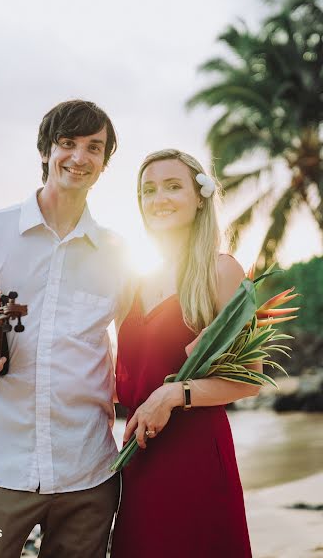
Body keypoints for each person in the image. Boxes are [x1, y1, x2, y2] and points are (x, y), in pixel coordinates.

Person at [0, 99, 132, 558]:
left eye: (93, 148)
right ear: (45, 151)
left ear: (104, 164)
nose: (79, 157)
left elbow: (138, 347)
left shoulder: (118, 253)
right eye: (67, 143)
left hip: (89, 473)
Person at [111, 149, 259, 558]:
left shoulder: (221, 271)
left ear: (200, 197)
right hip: (138, 462)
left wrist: (175, 394)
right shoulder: (132, 283)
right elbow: (124, 381)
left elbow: (251, 377)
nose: (159, 197)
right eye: (149, 189)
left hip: (195, 460)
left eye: (173, 186)